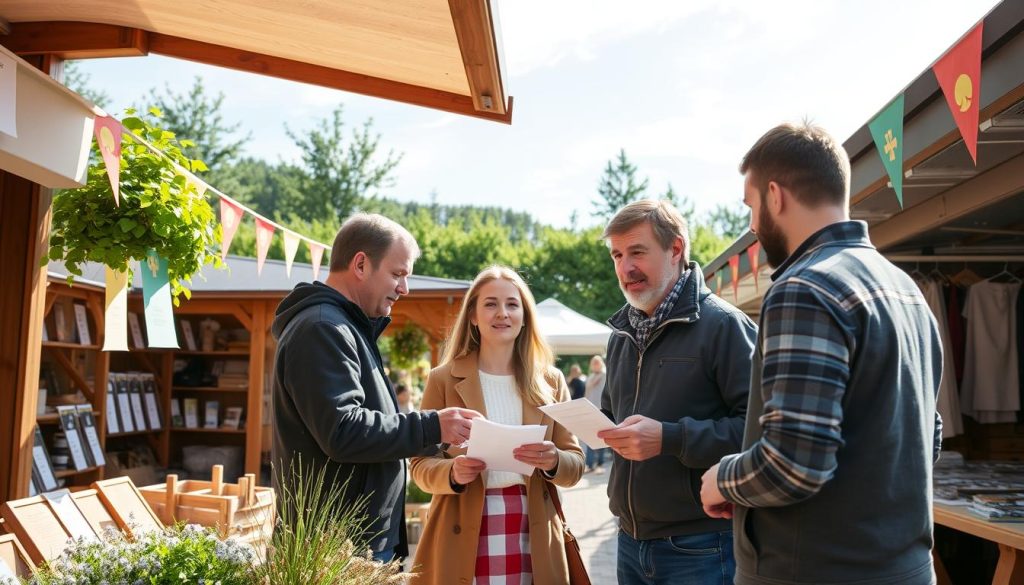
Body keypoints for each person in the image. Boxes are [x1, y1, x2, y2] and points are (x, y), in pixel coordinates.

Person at [699, 122, 943, 585]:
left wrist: (723, 478)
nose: (752, 225)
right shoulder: (906, 289)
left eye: (750, 206)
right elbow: (925, 441)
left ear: (775, 196)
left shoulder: (804, 288)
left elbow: (794, 464)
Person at [271, 213, 482, 563]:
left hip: (351, 543)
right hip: (337, 548)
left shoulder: (343, 327)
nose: (405, 288)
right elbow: (343, 431)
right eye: (397, 274)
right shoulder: (323, 329)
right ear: (360, 264)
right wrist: (432, 425)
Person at [595, 199, 757, 585]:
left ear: (676, 249)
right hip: (629, 541)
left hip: (702, 545)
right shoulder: (620, 336)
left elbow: (759, 432)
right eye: (617, 255)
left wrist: (670, 438)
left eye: (637, 252)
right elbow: (610, 417)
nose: (625, 267)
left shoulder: (726, 326)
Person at [410, 265, 585, 585]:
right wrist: (451, 472)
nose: (502, 313)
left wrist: (554, 460)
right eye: (490, 303)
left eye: (512, 304)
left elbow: (575, 464)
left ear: (525, 316)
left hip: (533, 530)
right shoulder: (443, 379)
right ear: (473, 315)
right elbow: (419, 466)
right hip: (461, 529)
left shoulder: (551, 380)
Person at [583, 355, 608, 474]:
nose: (595, 365)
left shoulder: (605, 375)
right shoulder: (590, 377)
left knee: (602, 437)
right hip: (590, 410)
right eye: (594, 363)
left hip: (602, 409)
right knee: (589, 437)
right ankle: (589, 464)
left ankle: (600, 463)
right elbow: (587, 393)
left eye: (597, 363)